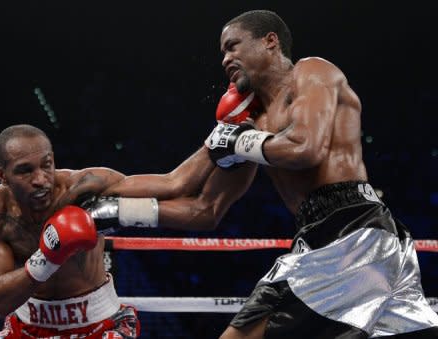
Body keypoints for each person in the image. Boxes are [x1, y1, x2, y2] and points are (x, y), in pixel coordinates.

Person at [97, 9, 438, 338]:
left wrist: (240, 141)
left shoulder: (312, 72)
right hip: (319, 237)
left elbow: (307, 147)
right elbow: (200, 203)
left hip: (355, 228)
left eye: (233, 46)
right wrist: (117, 210)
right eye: (222, 52)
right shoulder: (250, 122)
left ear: (270, 41)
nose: (225, 59)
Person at [0, 124, 216, 338]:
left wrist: (216, 142)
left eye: (46, 165)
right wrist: (46, 258)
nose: (41, 179)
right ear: (2, 175)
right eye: (25, 170)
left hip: (98, 323)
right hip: (28, 325)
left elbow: (175, 184)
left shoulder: (84, 188)